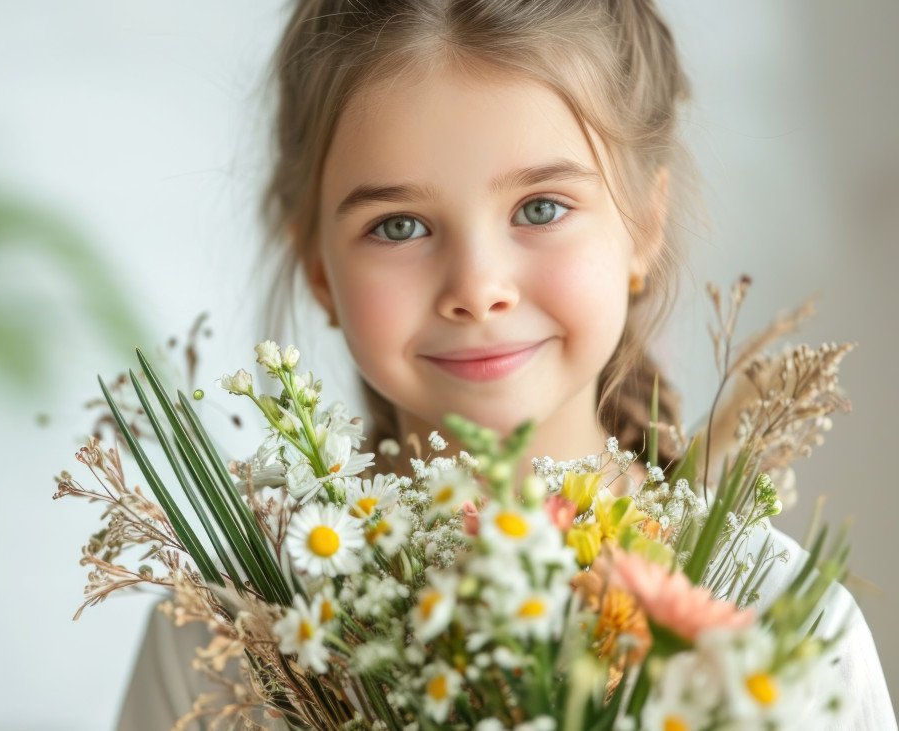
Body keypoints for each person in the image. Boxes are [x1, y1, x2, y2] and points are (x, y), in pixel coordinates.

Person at [115, 1, 897, 728]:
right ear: (319, 267)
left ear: (643, 226)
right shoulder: (223, 636)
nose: (477, 288)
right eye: (399, 226)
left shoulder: (778, 625)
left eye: (541, 208)